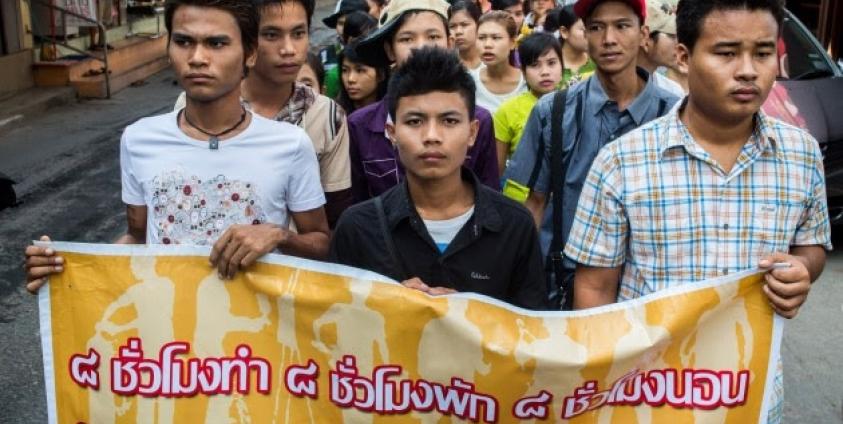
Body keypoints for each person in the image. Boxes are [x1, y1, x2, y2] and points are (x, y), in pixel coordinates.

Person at [563, 1, 830, 421]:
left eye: (762, 53)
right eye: (726, 53)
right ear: (684, 57)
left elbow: (811, 246)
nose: (747, 71)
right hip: (645, 399)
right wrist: (598, 387)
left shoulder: (802, 154)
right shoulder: (622, 162)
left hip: (752, 396)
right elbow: (595, 289)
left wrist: (802, 270)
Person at [25, 0, 330, 294]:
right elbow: (138, 238)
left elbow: (321, 244)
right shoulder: (139, 139)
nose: (197, 57)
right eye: (184, 42)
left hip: (256, 325)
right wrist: (66, 268)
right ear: (169, 49)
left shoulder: (290, 144)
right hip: (168, 322)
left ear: (249, 54)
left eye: (216, 43)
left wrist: (279, 235)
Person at [331, 47, 547, 310]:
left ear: (472, 132)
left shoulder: (514, 226)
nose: (432, 136)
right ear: (392, 133)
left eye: (449, 121)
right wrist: (387, 306)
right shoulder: (358, 228)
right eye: (414, 122)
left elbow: (531, 326)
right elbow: (337, 324)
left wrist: (471, 314)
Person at [502, 0, 679, 309]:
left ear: (643, 35)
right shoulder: (553, 112)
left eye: (622, 26)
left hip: (648, 290)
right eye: (596, 27)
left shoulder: (674, 115)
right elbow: (534, 203)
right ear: (584, 34)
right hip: (564, 286)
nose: (609, 39)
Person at [174, 0, 354, 228]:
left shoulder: (327, 115)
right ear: (247, 43)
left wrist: (284, 237)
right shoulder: (195, 104)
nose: (288, 49)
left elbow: (335, 216)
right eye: (271, 35)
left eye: (298, 33)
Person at [348, 0, 500, 202]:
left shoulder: (479, 120)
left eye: (433, 36)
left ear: (450, 44)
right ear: (390, 49)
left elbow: (488, 198)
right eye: (407, 39)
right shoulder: (359, 125)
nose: (420, 48)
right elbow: (358, 204)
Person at [494, 32, 562, 173]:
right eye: (535, 65)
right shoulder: (507, 110)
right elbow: (497, 170)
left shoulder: (575, 103)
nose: (545, 72)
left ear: (562, 65)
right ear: (524, 72)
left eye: (551, 63)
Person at [472, 11, 527, 114]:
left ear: (512, 43)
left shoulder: (528, 83)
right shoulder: (469, 82)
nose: (487, 44)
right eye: (481, 38)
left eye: (496, 38)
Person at [321, 0, 371, 98]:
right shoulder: (324, 56)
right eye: (341, 23)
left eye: (351, 23)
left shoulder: (376, 53)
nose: (345, 29)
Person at [638, 0, 685, 97]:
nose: (679, 44)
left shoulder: (673, 92)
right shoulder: (610, 89)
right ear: (645, 38)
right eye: (672, 36)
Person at [548, 5, 596, 87]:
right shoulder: (550, 66)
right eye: (583, 29)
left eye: (593, 28)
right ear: (564, 32)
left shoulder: (597, 61)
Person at [337, 41, 388, 114]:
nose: (350, 79)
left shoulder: (393, 112)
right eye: (345, 70)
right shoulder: (335, 114)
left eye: (360, 70)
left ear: (381, 74)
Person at [448, 1, 483, 72]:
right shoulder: (448, 64)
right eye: (452, 26)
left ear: (478, 25)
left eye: (464, 25)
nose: (458, 32)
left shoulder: (492, 59)